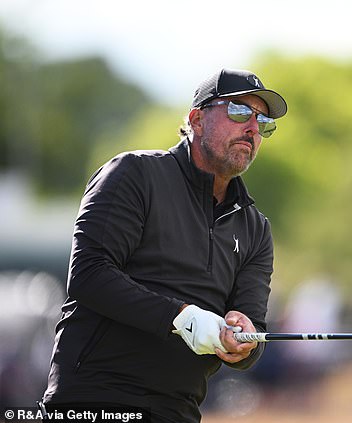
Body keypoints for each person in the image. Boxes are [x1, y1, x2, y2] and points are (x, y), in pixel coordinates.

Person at [40, 68, 287, 422]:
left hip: (178, 410)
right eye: (238, 112)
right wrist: (180, 316)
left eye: (262, 121)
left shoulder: (255, 229)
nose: (252, 127)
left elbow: (252, 331)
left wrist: (244, 339)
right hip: (94, 398)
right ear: (197, 119)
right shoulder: (134, 174)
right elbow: (89, 275)